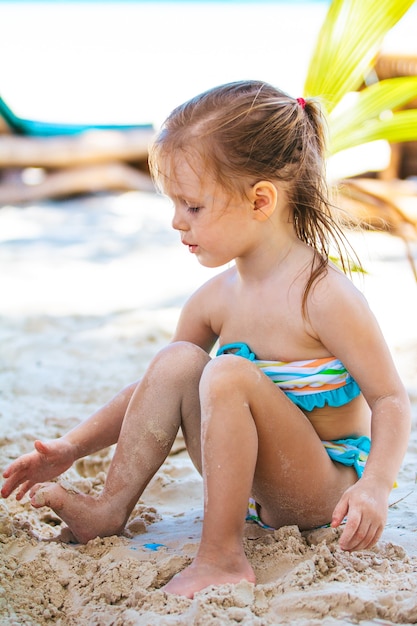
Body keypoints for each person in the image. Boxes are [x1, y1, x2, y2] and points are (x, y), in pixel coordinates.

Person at [1, 81, 411, 599]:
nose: (177, 221)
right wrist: (70, 447)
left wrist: (374, 487)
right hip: (251, 484)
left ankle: (221, 556)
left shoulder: (323, 296)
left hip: (319, 490)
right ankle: (109, 508)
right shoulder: (213, 299)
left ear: (261, 200)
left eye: (192, 206)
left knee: (227, 372)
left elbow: (390, 398)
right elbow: (159, 391)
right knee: (178, 360)